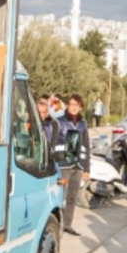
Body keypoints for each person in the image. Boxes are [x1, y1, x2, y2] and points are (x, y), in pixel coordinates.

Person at [57, 94, 92, 237]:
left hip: (77, 166)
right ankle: (57, 224)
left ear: (81, 107)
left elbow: (87, 146)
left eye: (77, 105)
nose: (74, 107)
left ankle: (67, 225)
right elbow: (51, 142)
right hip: (63, 165)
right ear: (67, 105)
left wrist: (87, 168)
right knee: (60, 196)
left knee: (72, 197)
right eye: (71, 104)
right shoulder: (59, 122)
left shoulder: (82, 124)